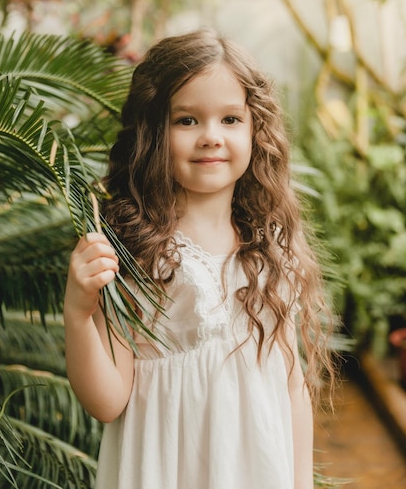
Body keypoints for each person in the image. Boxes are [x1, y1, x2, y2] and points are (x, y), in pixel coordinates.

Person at [64, 28, 334, 489]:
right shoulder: (135, 252)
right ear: (153, 132)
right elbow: (108, 402)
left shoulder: (270, 254)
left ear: (256, 129)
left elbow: (291, 389)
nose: (211, 136)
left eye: (230, 119)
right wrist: (78, 312)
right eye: (187, 120)